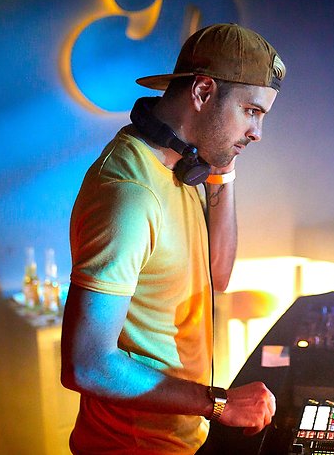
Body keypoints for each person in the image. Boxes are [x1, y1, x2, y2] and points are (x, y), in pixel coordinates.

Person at [61, 23, 286, 455]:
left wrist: (222, 171)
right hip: (130, 448)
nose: (257, 132)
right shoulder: (130, 193)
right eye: (251, 111)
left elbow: (218, 275)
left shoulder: (182, 167)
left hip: (178, 439)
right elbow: (86, 364)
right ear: (202, 92)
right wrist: (219, 403)